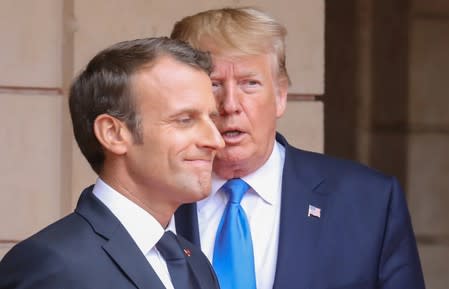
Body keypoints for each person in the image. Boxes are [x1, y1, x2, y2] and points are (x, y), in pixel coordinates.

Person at [171, 7, 426, 289]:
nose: (230, 105)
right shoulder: (150, 195)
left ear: (280, 96)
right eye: (213, 85)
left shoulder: (369, 201)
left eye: (250, 84)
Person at [0, 37, 224, 289]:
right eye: (185, 119)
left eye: (211, 119)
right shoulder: (51, 264)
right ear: (113, 134)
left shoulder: (196, 264)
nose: (215, 141)